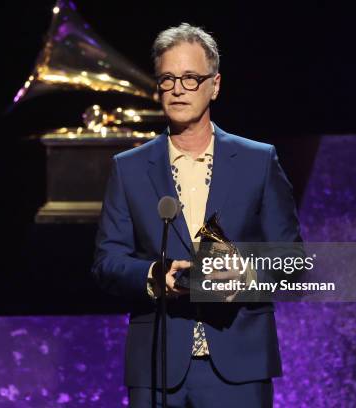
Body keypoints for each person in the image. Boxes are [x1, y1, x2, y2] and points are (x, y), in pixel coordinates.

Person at [92, 22, 302, 408]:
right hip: (157, 366)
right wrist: (157, 275)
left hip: (240, 365)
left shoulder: (258, 161)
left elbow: (292, 260)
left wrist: (243, 273)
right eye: (168, 78)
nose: (177, 89)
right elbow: (107, 263)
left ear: (214, 85)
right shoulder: (128, 168)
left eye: (190, 78)